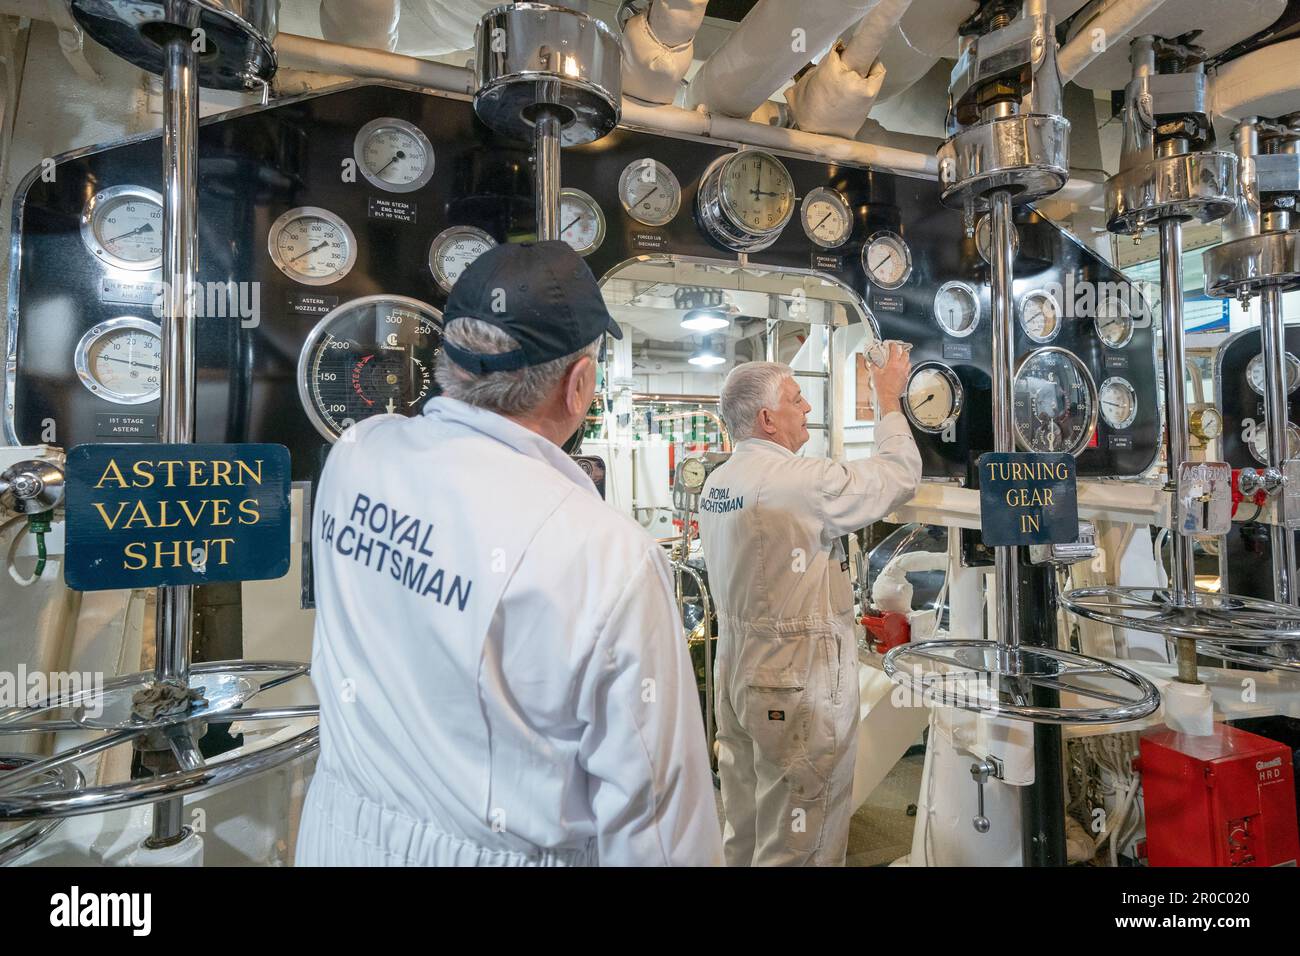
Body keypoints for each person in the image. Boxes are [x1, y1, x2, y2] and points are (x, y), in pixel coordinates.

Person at [297, 240, 722, 867]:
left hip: (336, 834)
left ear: (448, 359)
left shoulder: (358, 452)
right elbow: (657, 824)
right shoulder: (609, 557)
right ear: (580, 386)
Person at [698, 348, 921, 866]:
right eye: (797, 400)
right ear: (767, 419)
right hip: (794, 679)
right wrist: (888, 399)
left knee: (748, 823)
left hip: (739, 672)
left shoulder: (719, 482)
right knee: (802, 836)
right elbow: (898, 476)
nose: (808, 410)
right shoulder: (800, 481)